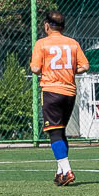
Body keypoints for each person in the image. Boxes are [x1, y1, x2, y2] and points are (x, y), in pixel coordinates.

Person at [31, 11, 88, 185]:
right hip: (69, 93)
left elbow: (35, 69)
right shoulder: (72, 43)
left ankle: (67, 170)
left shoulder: (42, 44)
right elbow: (85, 66)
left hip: (51, 91)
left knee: (54, 132)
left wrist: (49, 70)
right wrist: (69, 71)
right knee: (60, 131)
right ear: (63, 27)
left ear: (47, 26)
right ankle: (60, 172)